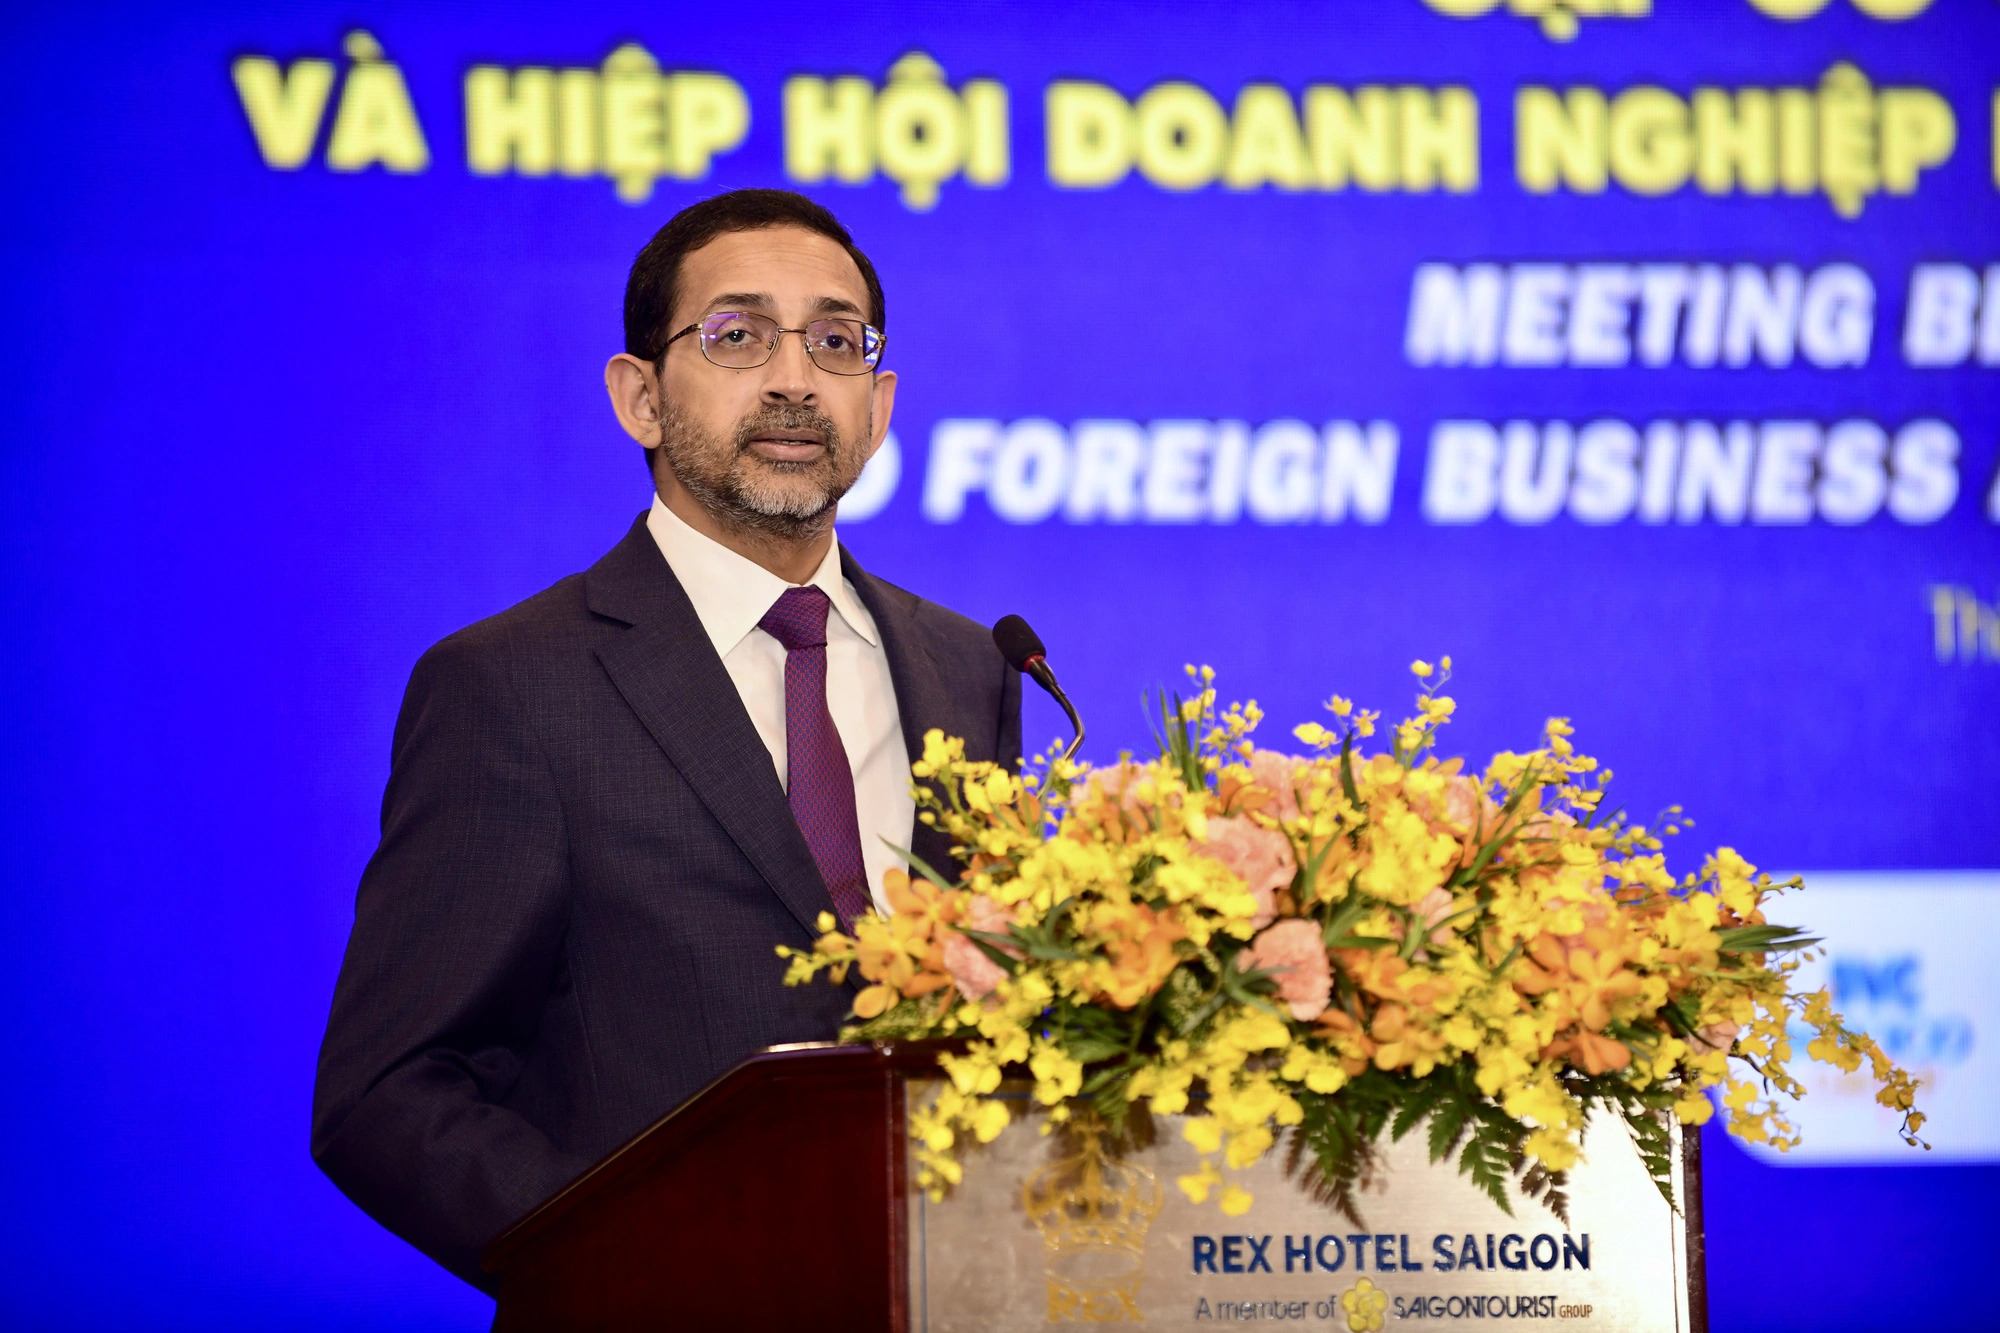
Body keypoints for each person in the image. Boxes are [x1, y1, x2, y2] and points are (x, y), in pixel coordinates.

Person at [311, 189, 1022, 1291]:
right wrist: (644, 1261)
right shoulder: (510, 685)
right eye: (736, 335)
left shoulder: (970, 667)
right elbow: (390, 1093)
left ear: (876, 408)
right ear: (638, 397)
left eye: (834, 341)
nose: (793, 378)